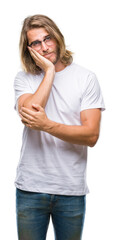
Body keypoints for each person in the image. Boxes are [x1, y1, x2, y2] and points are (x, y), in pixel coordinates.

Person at [14, 14, 105, 240]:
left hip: (71, 191)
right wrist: (50, 72)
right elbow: (31, 115)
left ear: (57, 38)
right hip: (31, 188)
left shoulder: (86, 78)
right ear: (29, 48)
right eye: (36, 43)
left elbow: (91, 135)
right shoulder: (23, 78)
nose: (44, 47)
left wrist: (47, 125)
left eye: (48, 39)